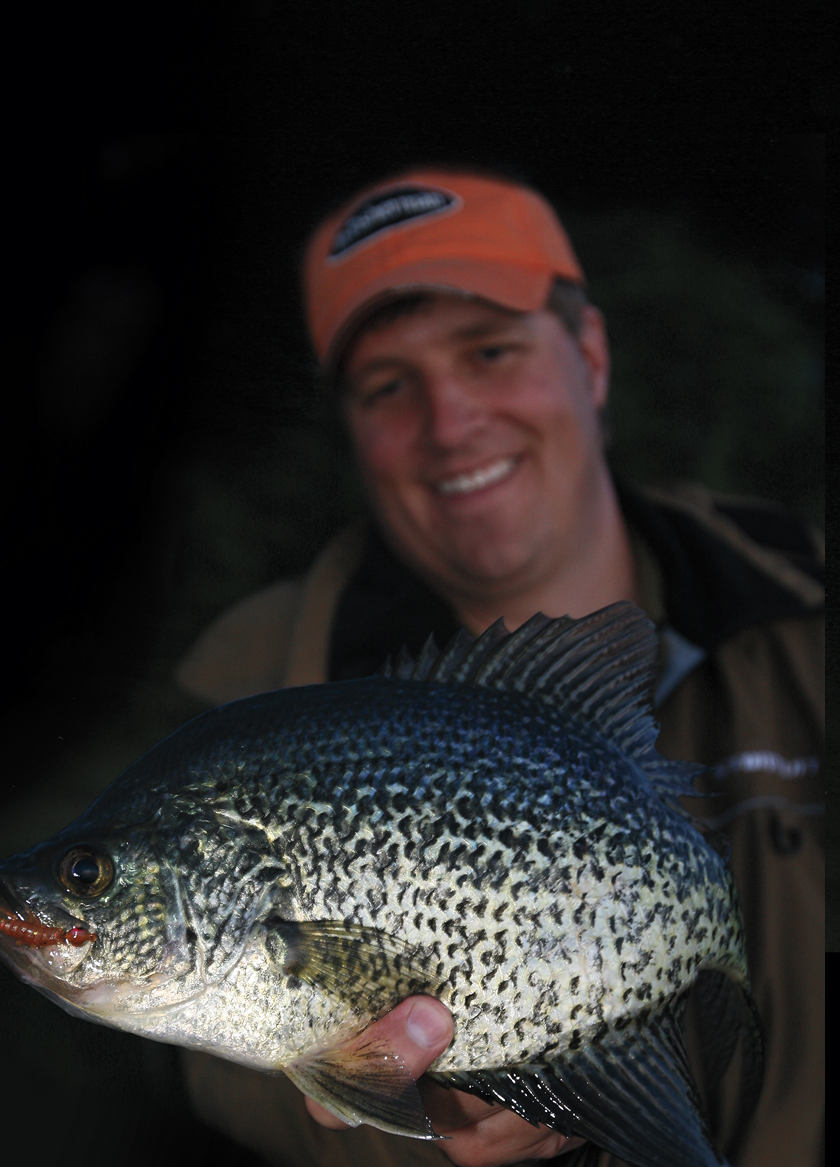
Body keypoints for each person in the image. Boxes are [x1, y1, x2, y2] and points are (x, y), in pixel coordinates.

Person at [173, 170, 824, 1167]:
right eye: (389, 386)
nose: (451, 421)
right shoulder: (253, 679)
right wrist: (410, 1132)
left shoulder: (807, 614)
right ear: (350, 429)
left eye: (490, 350)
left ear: (593, 356)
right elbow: (211, 1083)